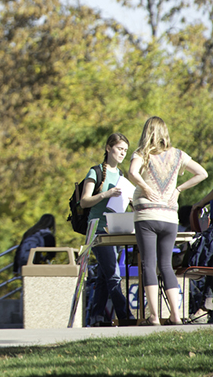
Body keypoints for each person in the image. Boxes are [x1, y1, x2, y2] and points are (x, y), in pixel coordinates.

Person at [128, 116, 208, 325]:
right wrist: (179, 189)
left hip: (146, 215)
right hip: (169, 217)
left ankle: (154, 316)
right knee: (166, 265)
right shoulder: (179, 155)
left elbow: (132, 173)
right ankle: (175, 314)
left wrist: (145, 188)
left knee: (148, 265)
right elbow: (202, 173)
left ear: (147, 132)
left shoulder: (142, 154)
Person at [78, 133, 134, 325]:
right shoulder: (95, 172)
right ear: (108, 148)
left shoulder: (121, 176)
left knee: (103, 276)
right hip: (97, 229)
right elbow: (84, 201)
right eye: (119, 149)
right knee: (113, 275)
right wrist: (106, 194)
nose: (122, 154)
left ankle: (96, 318)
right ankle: (126, 316)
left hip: (114, 230)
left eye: (125, 151)